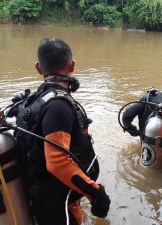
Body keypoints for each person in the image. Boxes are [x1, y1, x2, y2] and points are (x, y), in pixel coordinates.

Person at [15, 38, 110, 225]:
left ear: (38, 68)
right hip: (55, 203)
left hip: (46, 193)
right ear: (72, 66)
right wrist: (96, 192)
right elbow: (57, 163)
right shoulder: (58, 106)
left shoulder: (34, 102)